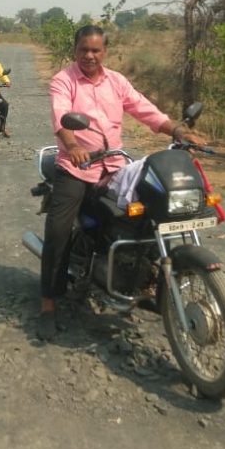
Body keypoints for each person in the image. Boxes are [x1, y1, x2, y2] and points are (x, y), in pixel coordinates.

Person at [37, 25, 206, 341]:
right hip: (76, 168)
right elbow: (61, 116)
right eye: (84, 49)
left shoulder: (116, 81)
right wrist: (72, 146)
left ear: (105, 52)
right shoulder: (64, 80)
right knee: (58, 231)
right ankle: (48, 303)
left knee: (150, 211)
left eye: (95, 50)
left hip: (115, 166)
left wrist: (177, 131)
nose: (89, 55)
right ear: (75, 50)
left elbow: (145, 109)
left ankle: (147, 279)